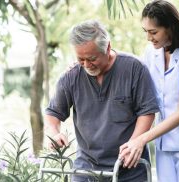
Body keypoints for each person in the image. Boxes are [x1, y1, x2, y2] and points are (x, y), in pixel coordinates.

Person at [44, 20, 159, 182]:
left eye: (91, 58)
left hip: (129, 168)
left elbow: (147, 112)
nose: (86, 65)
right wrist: (54, 134)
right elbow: (53, 114)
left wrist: (135, 143)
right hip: (86, 168)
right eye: (80, 59)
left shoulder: (134, 69)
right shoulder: (71, 76)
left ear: (108, 48)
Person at [119, 1, 179, 182]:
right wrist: (101, 54)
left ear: (171, 27)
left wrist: (141, 139)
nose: (148, 37)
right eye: (145, 31)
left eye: (153, 32)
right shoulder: (151, 52)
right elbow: (132, 68)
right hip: (164, 145)